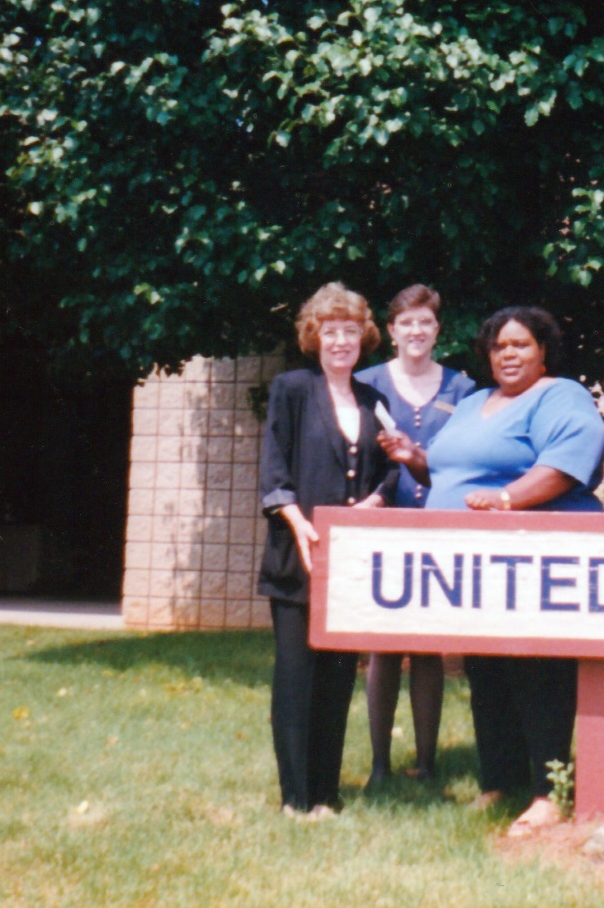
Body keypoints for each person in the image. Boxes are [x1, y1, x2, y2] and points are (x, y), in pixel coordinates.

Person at [379, 306, 604, 834]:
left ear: (543, 350)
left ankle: (549, 793)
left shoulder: (560, 395)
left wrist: (507, 498)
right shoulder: (475, 402)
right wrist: (413, 455)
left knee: (537, 673)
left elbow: (568, 461)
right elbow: (449, 468)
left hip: (534, 559)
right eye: (500, 346)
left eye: (521, 345)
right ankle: (498, 781)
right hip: (476, 566)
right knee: (487, 672)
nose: (509, 354)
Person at [257, 282, 399, 819]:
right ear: (314, 338)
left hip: (350, 563)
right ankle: (294, 797)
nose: (340, 341)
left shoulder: (374, 400)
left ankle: (327, 793)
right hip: (300, 555)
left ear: (364, 338)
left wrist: (375, 502)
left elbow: (391, 473)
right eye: (330, 332)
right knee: (296, 676)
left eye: (350, 332)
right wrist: (297, 521)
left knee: (338, 678)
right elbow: (274, 466)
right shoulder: (292, 388)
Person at [354, 284, 476, 786]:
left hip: (439, 524)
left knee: (428, 643)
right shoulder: (366, 382)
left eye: (425, 322)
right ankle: (380, 764)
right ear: (391, 331)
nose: (416, 332)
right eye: (406, 323)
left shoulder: (462, 389)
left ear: (437, 330)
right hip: (384, 521)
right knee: (384, 643)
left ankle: (426, 763)